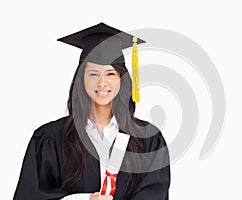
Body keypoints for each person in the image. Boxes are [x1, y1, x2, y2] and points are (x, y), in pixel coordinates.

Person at [13, 22, 170, 200]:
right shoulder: (50, 139)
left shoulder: (148, 140)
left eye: (110, 74)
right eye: (93, 74)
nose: (102, 83)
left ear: (122, 79)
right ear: (81, 79)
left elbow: (154, 194)